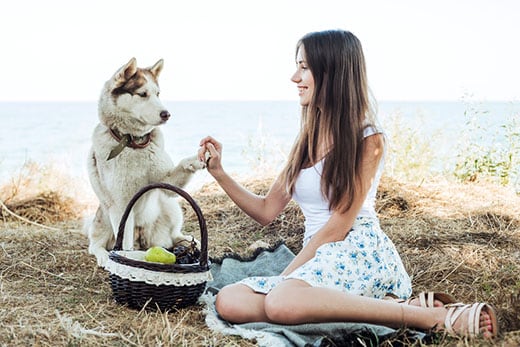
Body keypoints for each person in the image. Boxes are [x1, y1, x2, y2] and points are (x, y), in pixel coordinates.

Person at [197, 29, 497, 339]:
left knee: (282, 301)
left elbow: (337, 227)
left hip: (357, 248)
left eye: (304, 67)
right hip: (318, 255)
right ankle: (378, 308)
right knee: (230, 301)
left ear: (333, 71)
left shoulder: (369, 138)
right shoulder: (307, 139)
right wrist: (219, 172)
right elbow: (265, 210)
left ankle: (428, 317)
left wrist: (286, 277)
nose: (294, 76)